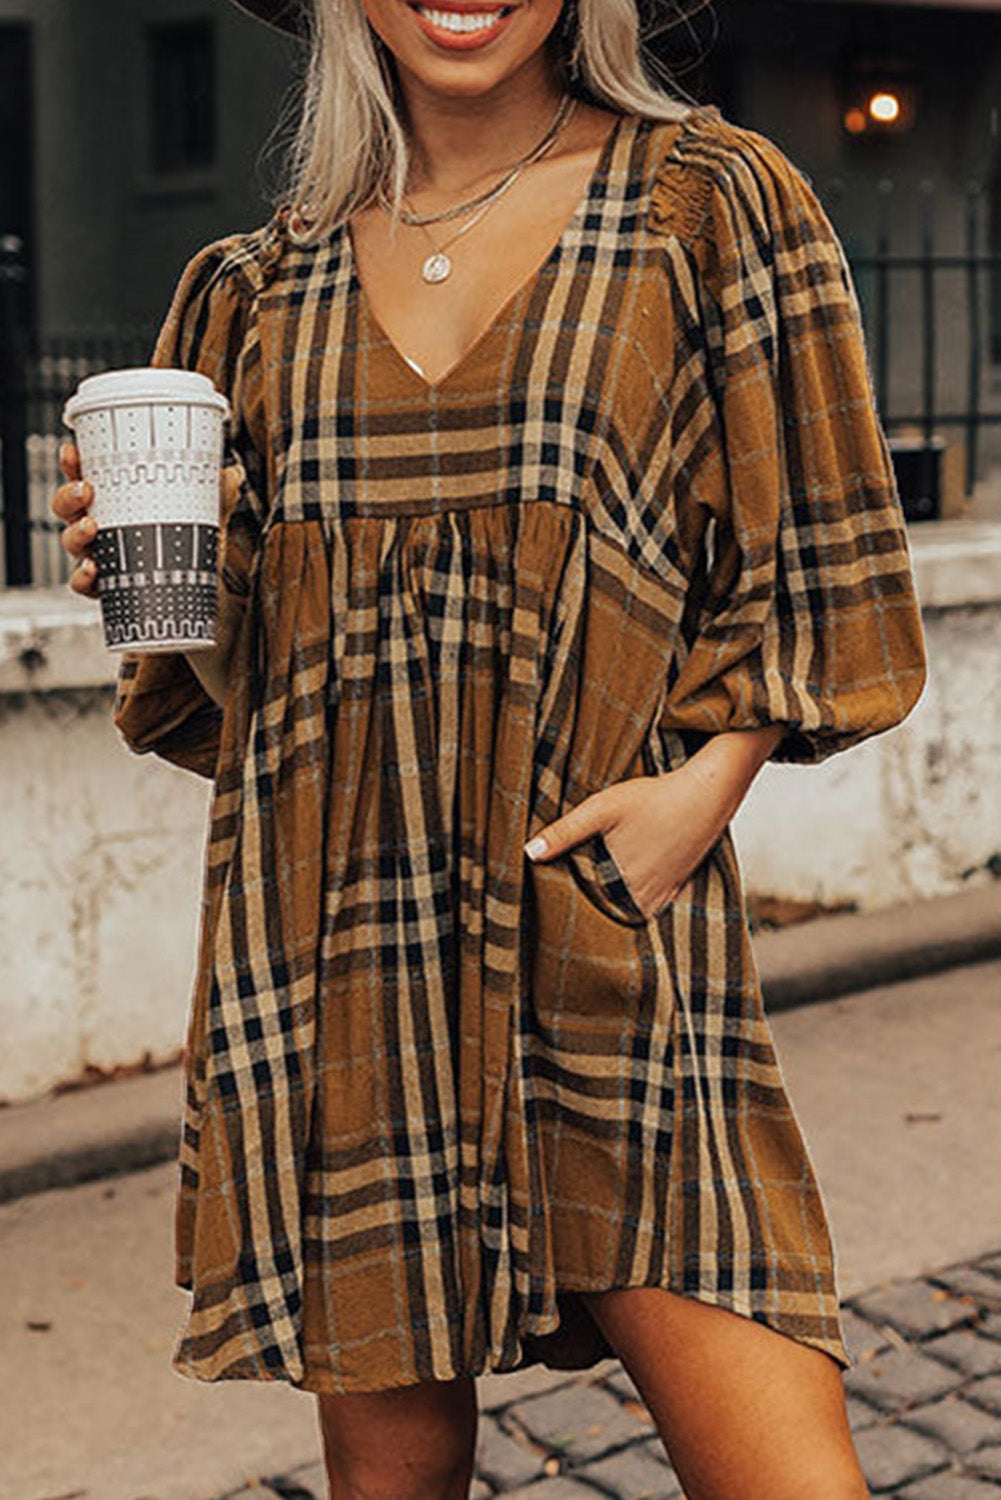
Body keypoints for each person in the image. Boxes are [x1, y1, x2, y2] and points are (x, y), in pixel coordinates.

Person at [52, 0, 929, 1493]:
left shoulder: (708, 206)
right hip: (338, 962)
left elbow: (828, 567)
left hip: (600, 933)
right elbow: (252, 687)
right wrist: (162, 577)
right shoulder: (257, 290)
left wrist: (697, 794)